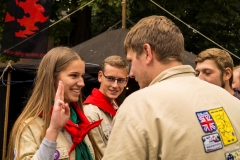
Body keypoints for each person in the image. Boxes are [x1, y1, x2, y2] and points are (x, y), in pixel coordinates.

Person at [103, 15, 240, 160]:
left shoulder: (140, 106)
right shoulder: (232, 102)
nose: (131, 73)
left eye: (131, 61)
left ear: (147, 52)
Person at [6, 46, 103, 160]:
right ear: (52, 78)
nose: (82, 83)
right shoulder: (29, 126)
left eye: (82, 76)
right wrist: (53, 130)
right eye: (74, 75)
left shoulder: (80, 123)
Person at [83, 55, 129, 154]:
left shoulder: (117, 108)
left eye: (120, 80)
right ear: (100, 76)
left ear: (126, 81)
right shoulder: (91, 112)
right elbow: (98, 155)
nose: (115, 85)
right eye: (110, 79)